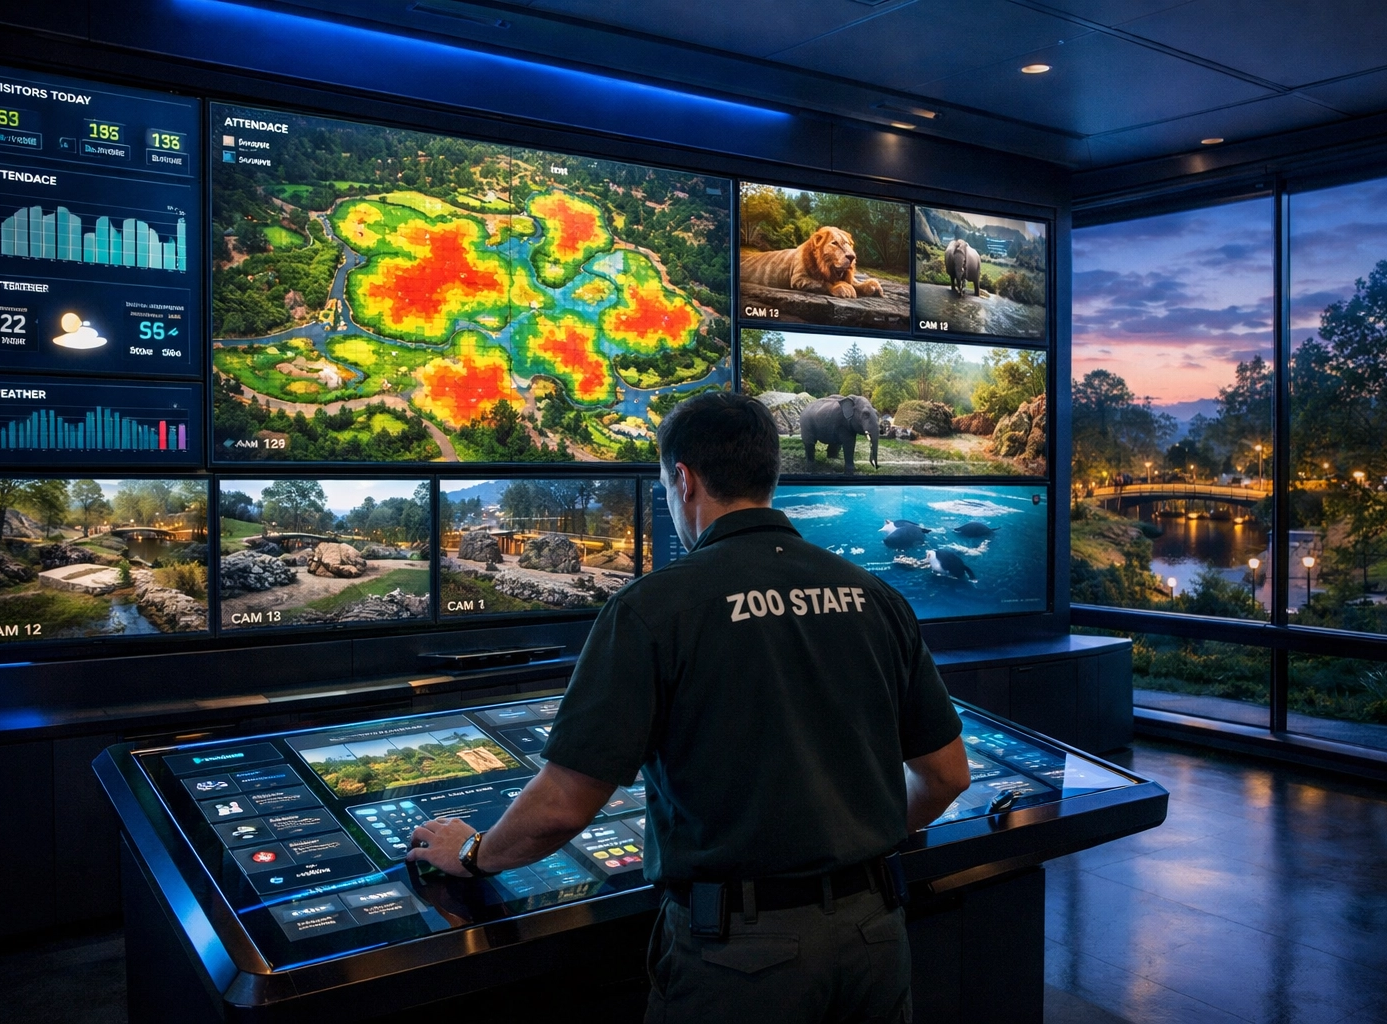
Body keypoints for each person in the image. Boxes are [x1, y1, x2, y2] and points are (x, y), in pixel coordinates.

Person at [410, 391, 971, 1023]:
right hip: (877, 938)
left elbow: (562, 805)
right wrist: (855, 838)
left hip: (740, 959)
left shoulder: (654, 608)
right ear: (771, 474)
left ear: (684, 478)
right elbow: (947, 775)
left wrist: (471, 852)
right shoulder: (876, 597)